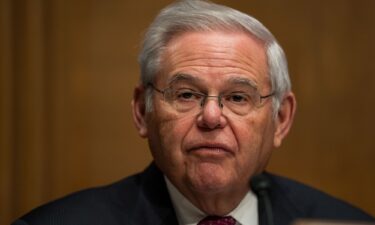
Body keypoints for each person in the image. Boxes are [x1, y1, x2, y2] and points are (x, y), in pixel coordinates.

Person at [12, 1, 374, 225]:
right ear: (142, 111)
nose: (212, 117)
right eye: (186, 94)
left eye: (237, 97)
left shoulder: (341, 223)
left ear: (280, 119)